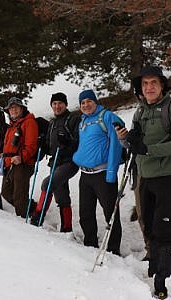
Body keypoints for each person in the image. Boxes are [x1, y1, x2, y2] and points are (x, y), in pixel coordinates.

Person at [117, 66, 171, 299]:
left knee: (163, 227)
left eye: (153, 83)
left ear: (162, 85)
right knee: (148, 223)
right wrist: (127, 140)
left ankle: (162, 278)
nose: (149, 87)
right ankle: (154, 262)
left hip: (167, 176)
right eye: (145, 84)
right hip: (144, 176)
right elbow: (135, 145)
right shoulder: (140, 112)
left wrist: (148, 150)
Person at [72, 89, 125, 255]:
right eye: (82, 103)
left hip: (103, 174)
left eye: (89, 101)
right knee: (85, 213)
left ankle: (113, 249)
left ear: (95, 101)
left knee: (111, 213)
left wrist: (111, 172)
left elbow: (117, 145)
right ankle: (90, 245)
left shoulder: (107, 117)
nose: (86, 105)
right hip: (85, 175)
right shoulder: (83, 121)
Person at [29, 93, 80, 231]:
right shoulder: (52, 122)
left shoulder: (73, 119)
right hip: (55, 162)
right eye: (54, 104)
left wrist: (67, 142)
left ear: (66, 104)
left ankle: (36, 219)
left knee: (47, 184)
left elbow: (78, 141)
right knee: (61, 195)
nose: (57, 106)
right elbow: (49, 145)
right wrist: (42, 145)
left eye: (60, 103)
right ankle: (67, 228)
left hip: (69, 162)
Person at [0, 97, 39, 217]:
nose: (13, 110)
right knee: (5, 192)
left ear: (22, 108)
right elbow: (9, 146)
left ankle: (24, 222)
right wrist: (3, 155)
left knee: (19, 196)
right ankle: (32, 208)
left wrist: (21, 157)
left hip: (23, 164)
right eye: (11, 108)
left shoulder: (29, 122)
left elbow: (31, 146)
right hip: (10, 163)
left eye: (16, 107)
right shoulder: (12, 125)